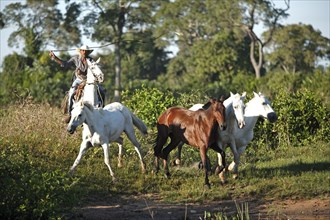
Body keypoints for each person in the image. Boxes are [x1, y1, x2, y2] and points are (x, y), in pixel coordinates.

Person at [49, 45, 103, 123]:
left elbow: (94, 70)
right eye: (83, 50)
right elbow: (65, 64)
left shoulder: (91, 60)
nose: (85, 52)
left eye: (86, 51)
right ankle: (69, 113)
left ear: (88, 52)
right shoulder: (75, 59)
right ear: (80, 51)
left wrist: (86, 77)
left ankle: (102, 111)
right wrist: (55, 57)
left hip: (89, 80)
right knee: (71, 93)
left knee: (101, 91)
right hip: (79, 79)